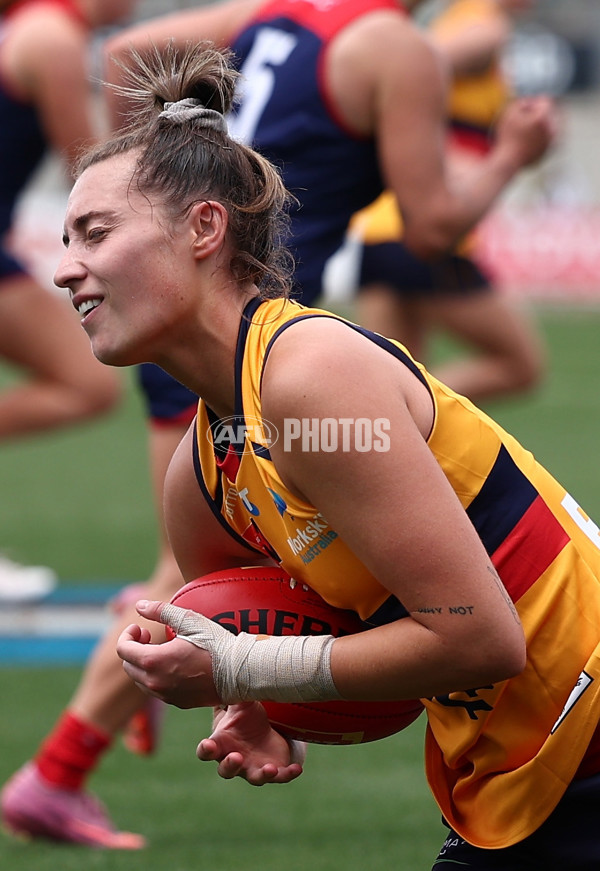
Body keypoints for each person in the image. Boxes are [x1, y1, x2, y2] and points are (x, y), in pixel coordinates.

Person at [1, 0, 557, 849]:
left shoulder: (312, 379)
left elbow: (482, 638)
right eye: (67, 236)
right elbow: (237, 634)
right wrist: (254, 705)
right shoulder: (200, 474)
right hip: (512, 769)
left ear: (205, 227)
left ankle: (58, 769)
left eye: (96, 233)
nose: (65, 269)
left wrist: (244, 668)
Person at [349, 0, 547, 403]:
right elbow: (412, 65)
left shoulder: (456, 22)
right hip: (428, 231)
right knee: (521, 364)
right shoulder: (485, 25)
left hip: (381, 232)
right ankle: (413, 409)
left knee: (389, 381)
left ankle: (403, 413)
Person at [0, 0, 132, 600]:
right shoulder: (50, 36)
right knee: (88, 382)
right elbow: (92, 171)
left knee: (86, 385)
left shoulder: (35, 29)